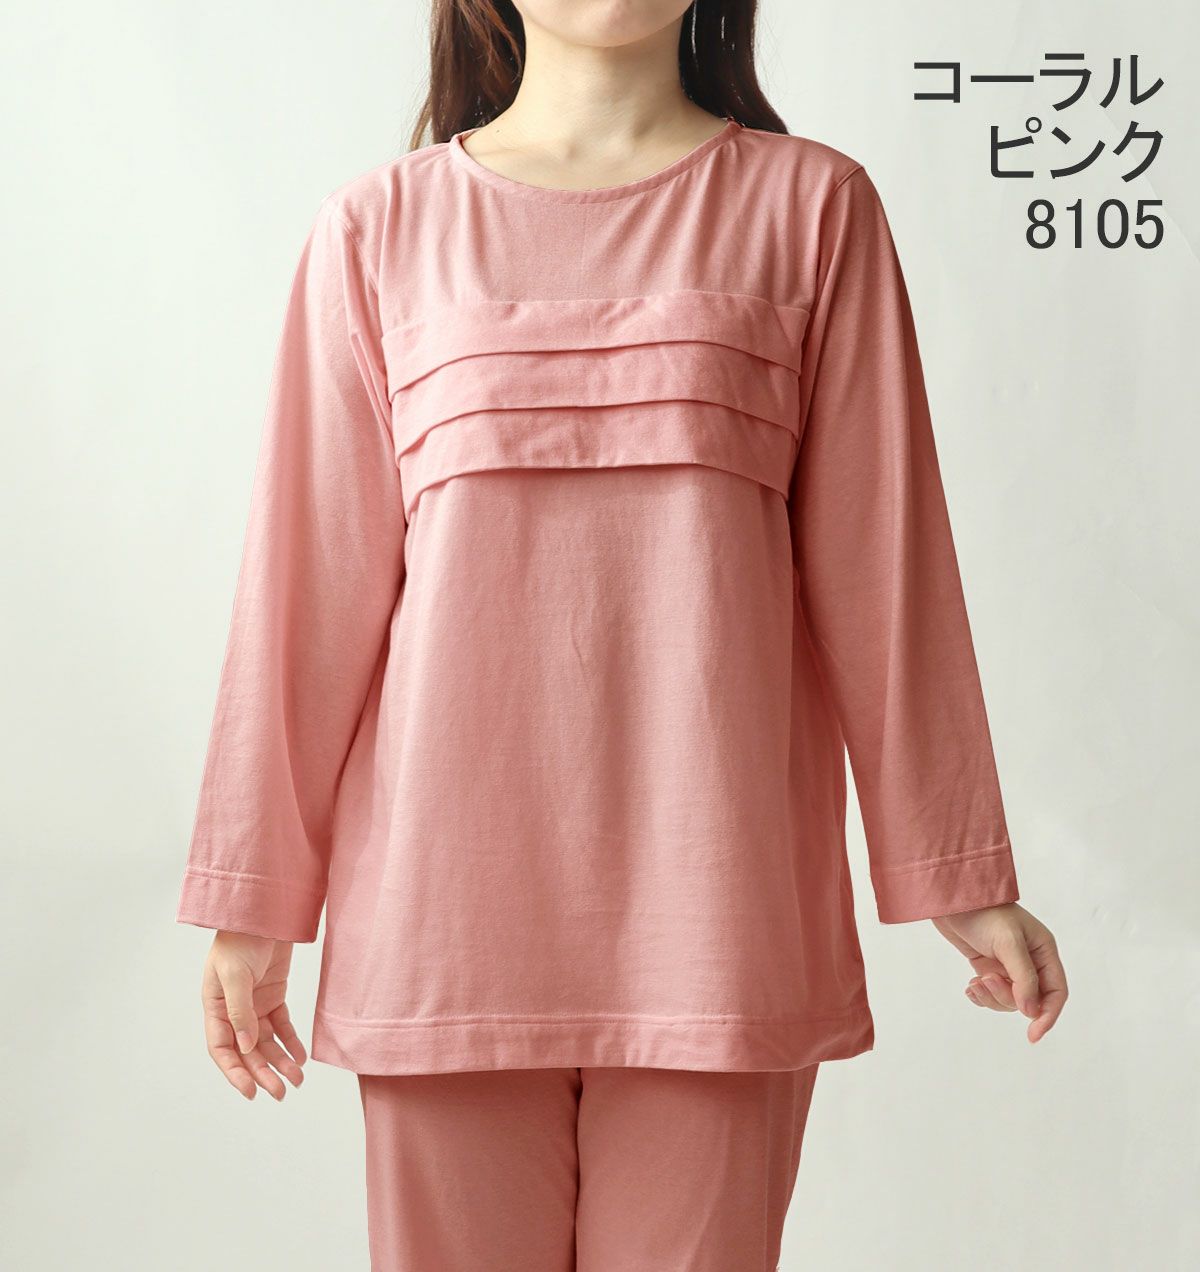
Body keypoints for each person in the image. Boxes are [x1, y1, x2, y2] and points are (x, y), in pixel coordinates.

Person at [176, 1, 1069, 1267]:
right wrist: (254, 898)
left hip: (717, 918)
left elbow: (888, 566)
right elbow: (304, 593)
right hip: (442, 926)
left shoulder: (814, 210)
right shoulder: (378, 229)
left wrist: (960, 874)